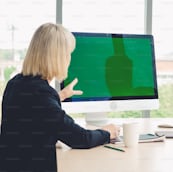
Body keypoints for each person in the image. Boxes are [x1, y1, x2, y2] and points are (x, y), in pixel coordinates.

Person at [0, 23, 120, 171]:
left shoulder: (16, 83)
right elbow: (81, 138)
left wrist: (59, 96)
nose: (70, 59)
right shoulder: (42, 95)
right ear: (58, 57)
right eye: (69, 53)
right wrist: (107, 132)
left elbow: (33, 112)